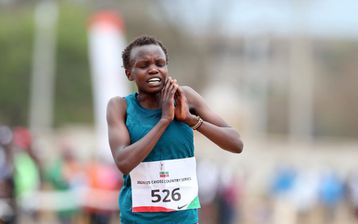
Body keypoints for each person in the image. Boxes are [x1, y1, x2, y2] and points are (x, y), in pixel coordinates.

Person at [106, 35, 243, 224]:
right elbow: (123, 161)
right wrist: (164, 121)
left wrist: (190, 119)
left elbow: (236, 143)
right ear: (129, 73)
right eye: (144, 65)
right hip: (137, 220)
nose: (153, 69)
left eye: (160, 64)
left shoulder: (185, 97)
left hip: (183, 220)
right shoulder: (120, 107)